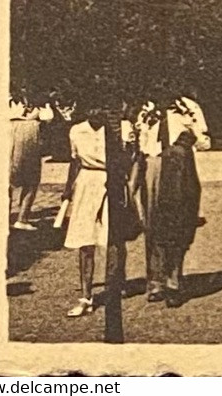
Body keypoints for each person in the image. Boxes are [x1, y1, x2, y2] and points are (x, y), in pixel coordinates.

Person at [136, 96, 210, 306]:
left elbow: (205, 142)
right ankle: (155, 280)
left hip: (180, 167)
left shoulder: (188, 107)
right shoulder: (145, 108)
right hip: (153, 166)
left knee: (178, 224)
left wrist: (188, 137)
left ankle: (174, 280)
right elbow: (139, 144)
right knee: (153, 225)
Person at [62, 112, 137, 318]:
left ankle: (116, 284)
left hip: (112, 183)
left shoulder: (120, 128)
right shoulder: (77, 130)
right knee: (85, 241)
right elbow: (75, 162)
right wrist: (67, 190)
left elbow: (131, 160)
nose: (97, 111)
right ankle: (86, 297)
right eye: (92, 105)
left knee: (114, 240)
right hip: (86, 184)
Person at [10, 102, 55, 230]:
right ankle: (19, 218)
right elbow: (48, 117)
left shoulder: (37, 99)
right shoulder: (33, 98)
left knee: (30, 180)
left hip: (22, 131)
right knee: (23, 179)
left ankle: (22, 218)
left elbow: (48, 117)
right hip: (20, 131)